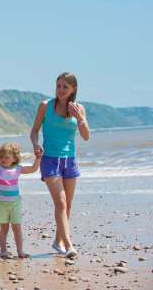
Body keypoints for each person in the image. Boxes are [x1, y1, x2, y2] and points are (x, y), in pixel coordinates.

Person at [30, 72, 90, 258]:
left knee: (67, 205)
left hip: (69, 160)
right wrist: (35, 145)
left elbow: (86, 136)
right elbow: (34, 131)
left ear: (73, 89)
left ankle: (58, 242)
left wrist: (79, 118)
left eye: (65, 86)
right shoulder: (45, 106)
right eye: (58, 86)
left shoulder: (79, 108)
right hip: (50, 160)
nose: (61, 90)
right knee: (61, 202)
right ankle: (69, 245)